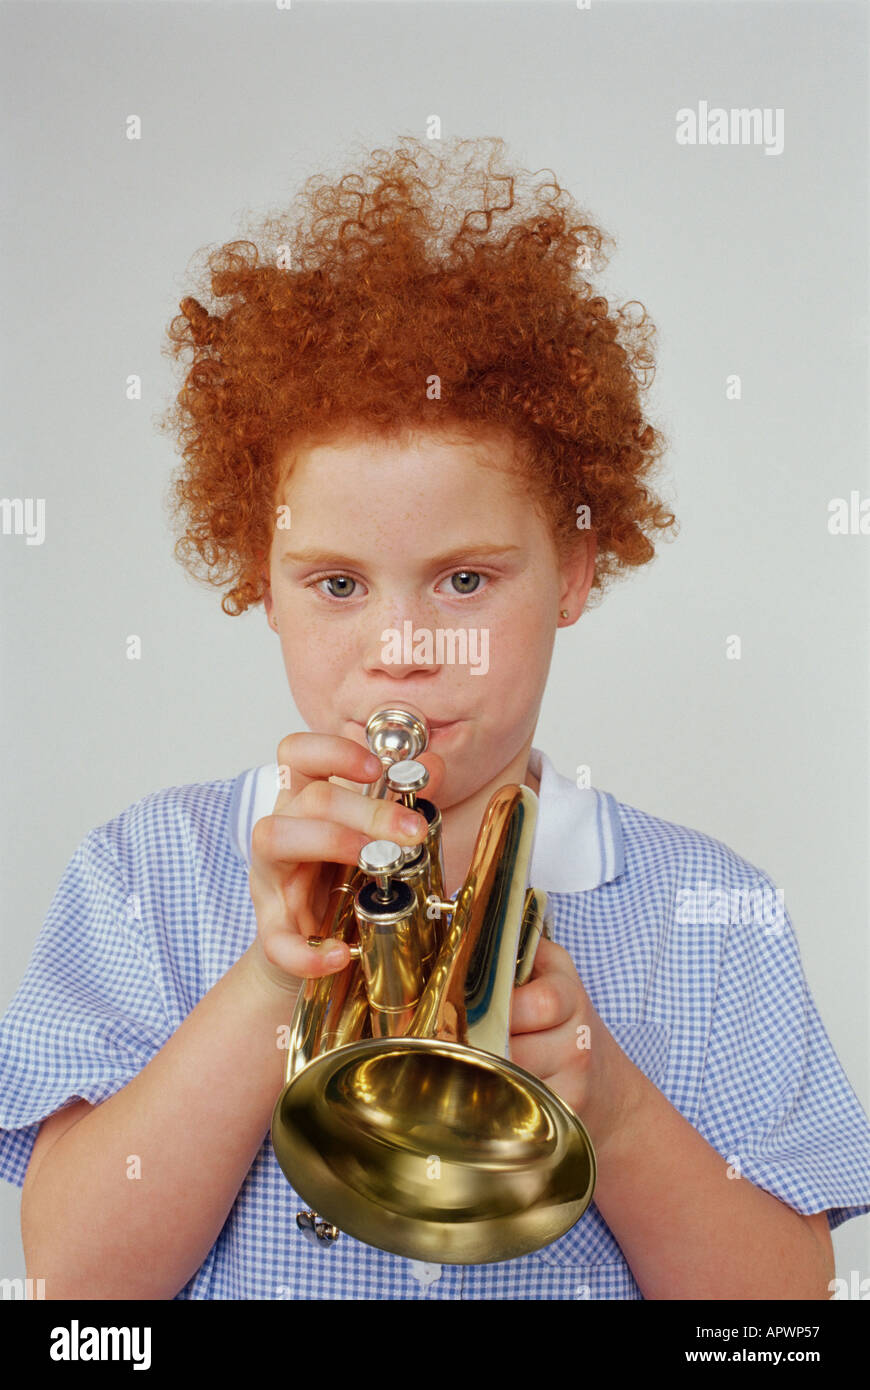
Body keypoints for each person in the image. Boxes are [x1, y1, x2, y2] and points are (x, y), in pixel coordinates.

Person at [1, 136, 868, 1301]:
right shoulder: (141, 874)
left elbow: (780, 1319)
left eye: (465, 580)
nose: (403, 651)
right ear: (260, 580)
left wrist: (604, 1096)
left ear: (572, 570)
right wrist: (271, 980)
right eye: (338, 584)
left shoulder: (715, 914)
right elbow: (75, 1289)